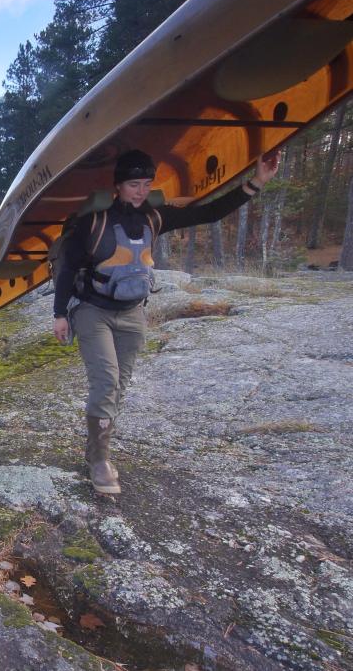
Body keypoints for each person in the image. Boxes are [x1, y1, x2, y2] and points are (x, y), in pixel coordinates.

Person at [52, 149, 279, 494]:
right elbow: (67, 267)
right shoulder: (93, 222)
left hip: (132, 313)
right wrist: (59, 315)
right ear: (118, 186)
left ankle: (95, 453)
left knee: (119, 387)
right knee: (106, 380)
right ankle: (100, 463)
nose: (141, 191)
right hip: (92, 310)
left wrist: (256, 183)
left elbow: (210, 214)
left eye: (146, 184)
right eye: (133, 184)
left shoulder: (154, 218)